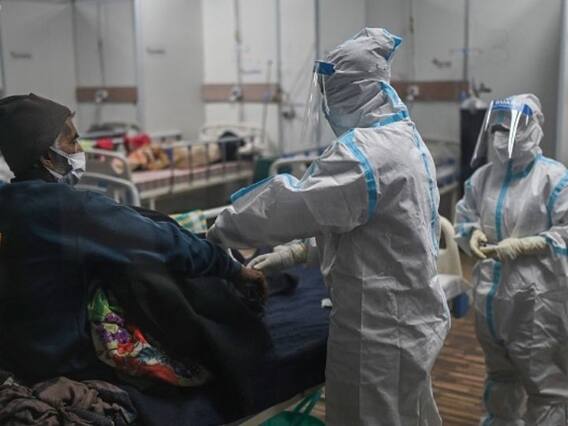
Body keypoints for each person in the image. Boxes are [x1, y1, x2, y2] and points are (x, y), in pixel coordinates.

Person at [208, 28, 450, 426]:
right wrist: (297, 252)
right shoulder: (404, 138)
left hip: (377, 331)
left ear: (350, 91)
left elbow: (294, 205)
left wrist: (224, 226)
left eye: (330, 92)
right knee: (410, 415)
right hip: (412, 317)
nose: (327, 104)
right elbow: (378, 232)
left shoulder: (365, 154)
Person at [0, 93, 266, 382]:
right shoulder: (70, 209)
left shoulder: (8, 201)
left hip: (14, 353)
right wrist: (231, 268)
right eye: (73, 142)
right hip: (63, 361)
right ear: (47, 156)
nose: (79, 150)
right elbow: (159, 242)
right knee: (152, 270)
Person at [455, 94, 568, 425]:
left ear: (533, 129)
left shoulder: (554, 178)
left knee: (544, 384)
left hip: (535, 300)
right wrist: (471, 233)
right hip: (490, 296)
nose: (502, 136)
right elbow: (465, 217)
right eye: (498, 128)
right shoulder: (482, 178)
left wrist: (529, 244)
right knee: (500, 373)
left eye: (511, 128)